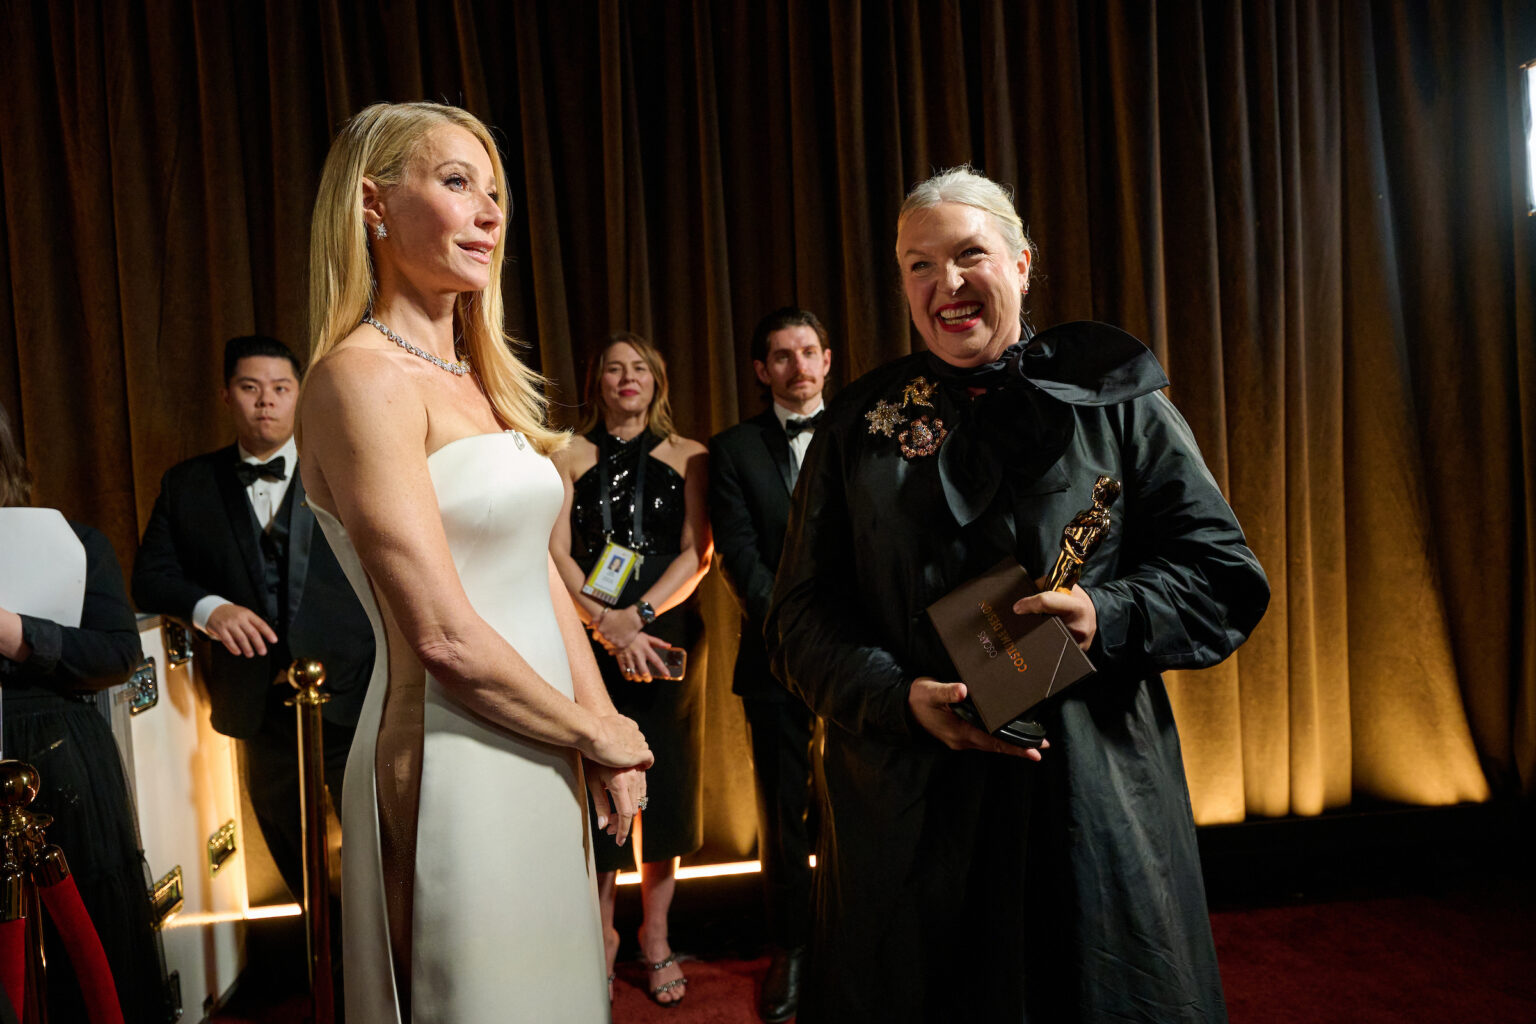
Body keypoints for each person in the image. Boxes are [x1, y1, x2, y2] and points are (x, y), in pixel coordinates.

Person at [765, 165, 1270, 1022]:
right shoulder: (855, 424)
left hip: (1087, 805)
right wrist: (897, 697)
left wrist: (1105, 614)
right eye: (918, 265)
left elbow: (1223, 574)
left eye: (970, 256)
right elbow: (799, 620)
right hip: (910, 810)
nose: (947, 284)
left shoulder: (1117, 402)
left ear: (1023, 262)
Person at [299, 101, 650, 1024]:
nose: (490, 212)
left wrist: (602, 728)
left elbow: (537, 574)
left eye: (495, 192)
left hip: (540, 744)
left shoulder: (478, 380)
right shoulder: (357, 379)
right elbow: (446, 636)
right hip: (453, 746)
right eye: (456, 183)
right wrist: (592, 731)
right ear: (373, 206)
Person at [133, 335, 373, 911]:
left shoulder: (349, 468)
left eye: (280, 388)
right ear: (226, 396)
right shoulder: (187, 484)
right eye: (250, 387)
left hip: (356, 694)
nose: (266, 401)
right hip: (259, 706)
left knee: (380, 846)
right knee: (294, 853)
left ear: (299, 397)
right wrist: (209, 609)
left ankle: (387, 976)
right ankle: (330, 971)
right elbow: (150, 578)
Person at [550, 332, 712, 1007]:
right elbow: (555, 550)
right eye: (613, 367)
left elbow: (698, 554)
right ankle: (603, 934)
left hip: (665, 626)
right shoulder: (565, 454)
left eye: (639, 367)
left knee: (665, 782)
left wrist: (635, 618)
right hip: (587, 631)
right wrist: (601, 624)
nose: (626, 378)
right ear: (598, 381)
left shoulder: (691, 455)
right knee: (599, 776)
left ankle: (655, 935)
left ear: (658, 380)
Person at [0, 401, 172, 1023]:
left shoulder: (70, 542)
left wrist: (15, 632)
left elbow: (117, 653)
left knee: (89, 959)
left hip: (57, 765)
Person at [707, 307, 831, 1022]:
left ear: (828, 358)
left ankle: (860, 942)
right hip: (776, 659)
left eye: (808, 352)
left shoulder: (863, 435)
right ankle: (792, 948)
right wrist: (797, 633)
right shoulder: (732, 450)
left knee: (862, 803)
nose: (797, 366)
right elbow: (739, 556)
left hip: (866, 660)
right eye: (781, 356)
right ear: (762, 371)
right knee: (784, 817)